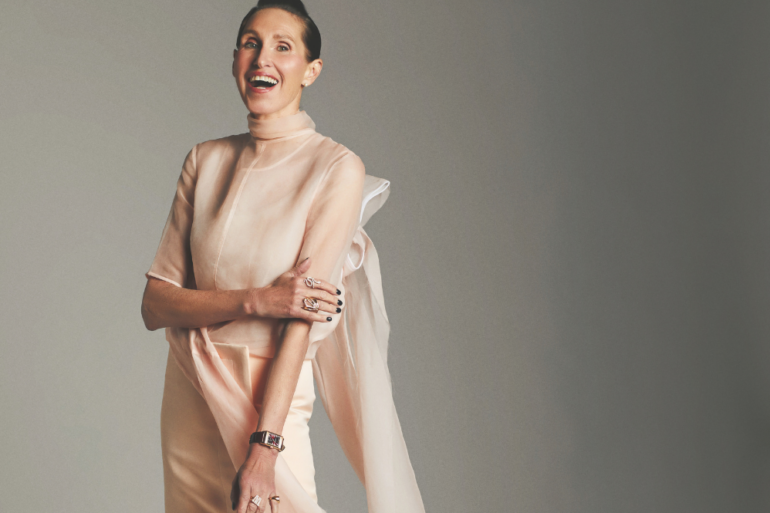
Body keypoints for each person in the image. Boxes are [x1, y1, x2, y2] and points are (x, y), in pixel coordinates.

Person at [140, 1, 425, 512]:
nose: (262, 59)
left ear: (311, 70)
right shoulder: (205, 160)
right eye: (250, 43)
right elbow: (155, 304)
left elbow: (301, 321)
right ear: (234, 59)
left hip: (267, 407)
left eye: (283, 47)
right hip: (188, 391)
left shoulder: (336, 168)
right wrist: (256, 300)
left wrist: (265, 447)